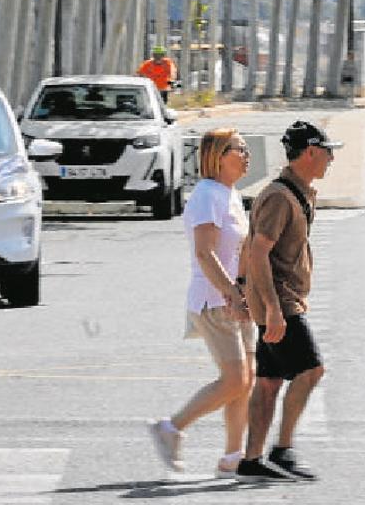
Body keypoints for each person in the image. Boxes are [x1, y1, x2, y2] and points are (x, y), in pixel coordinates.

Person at [236, 120, 341, 483]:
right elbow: (258, 253)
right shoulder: (280, 197)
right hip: (279, 302)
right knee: (311, 370)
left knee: (268, 382)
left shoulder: (298, 192)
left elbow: (250, 247)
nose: (331, 159)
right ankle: (282, 451)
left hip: (279, 300)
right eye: (328, 152)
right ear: (310, 152)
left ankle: (251, 459)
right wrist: (273, 310)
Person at [150, 128, 254, 478]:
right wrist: (231, 294)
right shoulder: (206, 195)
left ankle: (233, 456)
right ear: (219, 155)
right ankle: (172, 427)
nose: (247, 154)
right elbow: (205, 253)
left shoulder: (230, 194)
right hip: (215, 300)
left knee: (245, 380)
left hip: (237, 299)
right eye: (240, 148)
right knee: (234, 380)